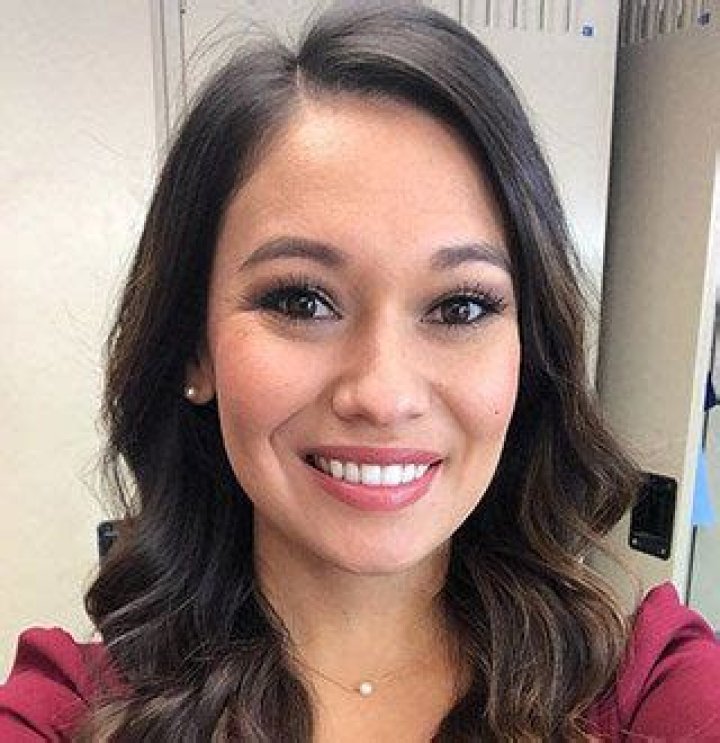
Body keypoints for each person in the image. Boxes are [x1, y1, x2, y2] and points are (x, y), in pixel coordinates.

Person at [2, 2, 719, 740]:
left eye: (461, 307)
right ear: (195, 346)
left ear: (527, 352)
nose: (383, 393)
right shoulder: (67, 713)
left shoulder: (645, 687)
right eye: (301, 300)